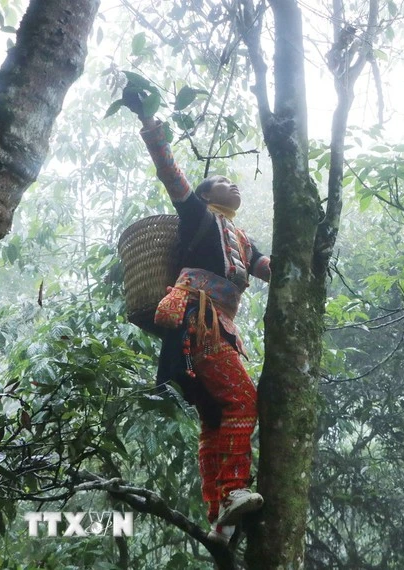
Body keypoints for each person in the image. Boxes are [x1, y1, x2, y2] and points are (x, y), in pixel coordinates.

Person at [124, 88, 271, 545]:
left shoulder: (244, 240)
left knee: (215, 414)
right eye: (225, 180)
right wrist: (153, 130)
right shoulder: (198, 216)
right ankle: (230, 492)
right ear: (208, 194)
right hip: (197, 320)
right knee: (245, 399)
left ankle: (219, 515)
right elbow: (172, 176)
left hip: (222, 328)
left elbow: (271, 271)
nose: (235, 185)